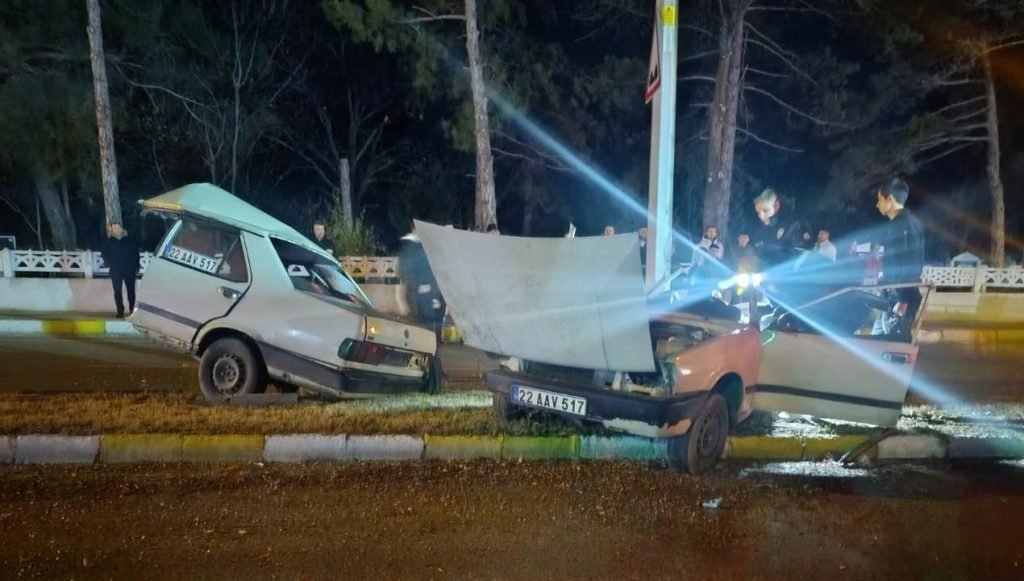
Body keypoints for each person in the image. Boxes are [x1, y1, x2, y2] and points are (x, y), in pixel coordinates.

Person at [862, 177, 925, 337]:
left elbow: (910, 263)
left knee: (894, 346)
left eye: (879, 200)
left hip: (899, 296)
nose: (877, 204)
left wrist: (903, 299)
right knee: (878, 342)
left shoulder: (903, 225)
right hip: (894, 294)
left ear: (890, 199)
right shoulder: (909, 223)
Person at [398, 228, 445, 341]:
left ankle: (433, 342)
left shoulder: (414, 247)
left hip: (428, 294)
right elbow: (404, 279)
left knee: (429, 326)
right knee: (426, 327)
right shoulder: (412, 247)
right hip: (421, 295)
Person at [750, 188, 804, 268]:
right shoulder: (762, 227)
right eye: (758, 212)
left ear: (776, 206)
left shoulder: (792, 225)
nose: (761, 216)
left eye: (765, 210)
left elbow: (796, 254)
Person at [102, 223, 140, 319]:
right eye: (114, 228)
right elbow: (105, 254)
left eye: (118, 227)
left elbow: (135, 254)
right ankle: (120, 311)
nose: (116, 230)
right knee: (117, 292)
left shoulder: (129, 241)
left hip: (129, 270)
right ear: (112, 230)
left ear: (121, 228)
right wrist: (109, 263)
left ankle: (132, 310)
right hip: (116, 271)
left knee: (131, 292)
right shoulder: (109, 242)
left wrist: (136, 266)